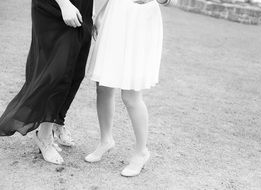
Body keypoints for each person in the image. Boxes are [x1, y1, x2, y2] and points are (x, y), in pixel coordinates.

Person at [0, 0, 94, 164]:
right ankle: (44, 136)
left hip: (82, 6)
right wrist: (64, 4)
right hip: (53, 7)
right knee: (58, 72)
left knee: (76, 72)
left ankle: (58, 121)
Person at [85, 0, 163, 177]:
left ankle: (141, 152)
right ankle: (106, 140)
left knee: (131, 95)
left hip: (140, 21)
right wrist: (100, 14)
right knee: (103, 86)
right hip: (114, 17)